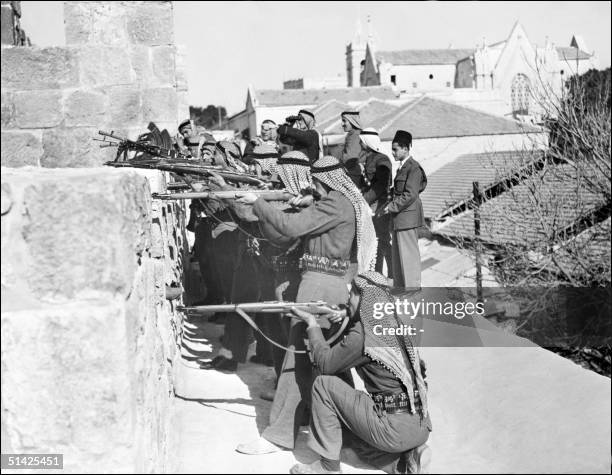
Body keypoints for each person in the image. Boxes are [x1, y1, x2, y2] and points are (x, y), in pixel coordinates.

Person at [234, 155, 377, 454]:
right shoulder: (341, 201)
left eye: (315, 182)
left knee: (296, 360)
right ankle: (351, 432)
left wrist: (257, 202)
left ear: (325, 181)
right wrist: (307, 202)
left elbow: (290, 226)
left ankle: (281, 434)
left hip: (318, 284)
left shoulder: (334, 203)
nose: (311, 186)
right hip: (329, 283)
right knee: (328, 365)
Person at [288, 271, 432, 474]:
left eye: (351, 296)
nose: (348, 301)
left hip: (392, 428)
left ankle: (327, 467)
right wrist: (345, 314)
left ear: (362, 298)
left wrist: (312, 325)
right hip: (420, 424)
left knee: (323, 384)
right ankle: (405, 462)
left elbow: (325, 364)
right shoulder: (396, 324)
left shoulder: (364, 333)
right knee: (353, 441)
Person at [379, 131, 427, 290]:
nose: (393, 153)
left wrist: (391, 207)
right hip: (400, 219)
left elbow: (410, 194)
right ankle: (402, 291)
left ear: (406, 149)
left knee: (408, 259)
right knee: (399, 259)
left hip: (407, 219)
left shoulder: (413, 168)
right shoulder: (403, 167)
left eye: (395, 149)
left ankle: (412, 292)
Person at [359, 128, 393, 275]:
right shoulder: (369, 157)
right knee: (376, 242)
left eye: (362, 141)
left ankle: (393, 274)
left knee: (383, 241)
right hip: (372, 205)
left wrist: (364, 200)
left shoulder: (382, 160)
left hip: (380, 206)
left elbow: (380, 186)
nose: (360, 144)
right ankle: (377, 274)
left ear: (368, 142)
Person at [338, 110, 363, 187]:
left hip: (353, 176)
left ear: (352, 121)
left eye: (344, 121)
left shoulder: (356, 136)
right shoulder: (351, 135)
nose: (342, 124)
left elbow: (350, 159)